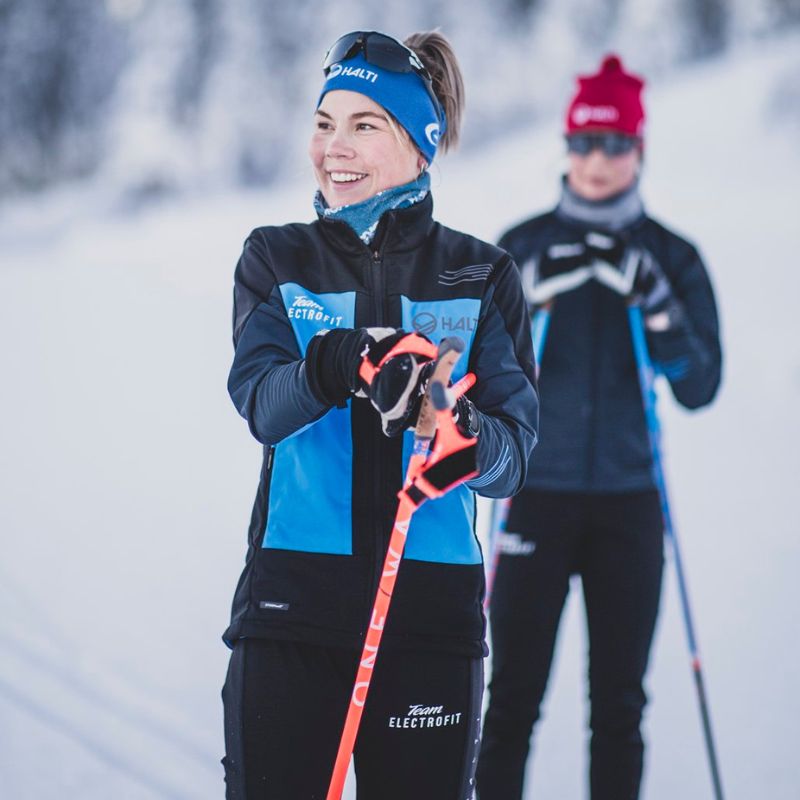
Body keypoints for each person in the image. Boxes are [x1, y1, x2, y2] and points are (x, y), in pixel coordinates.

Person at [221, 30, 539, 800]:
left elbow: (512, 457)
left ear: (420, 146)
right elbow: (262, 403)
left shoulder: (481, 275)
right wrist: (340, 363)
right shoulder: (276, 258)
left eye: (366, 125)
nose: (336, 147)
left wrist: (453, 435)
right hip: (291, 612)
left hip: (428, 619)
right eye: (326, 123)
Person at [476, 54, 722, 800]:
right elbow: (472, 372)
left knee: (618, 705)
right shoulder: (520, 246)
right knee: (511, 697)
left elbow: (701, 384)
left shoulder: (672, 255)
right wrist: (527, 307)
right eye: (582, 143)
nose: (595, 161)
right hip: (534, 497)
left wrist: (655, 303)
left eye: (613, 144)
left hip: (629, 504)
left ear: (638, 151)